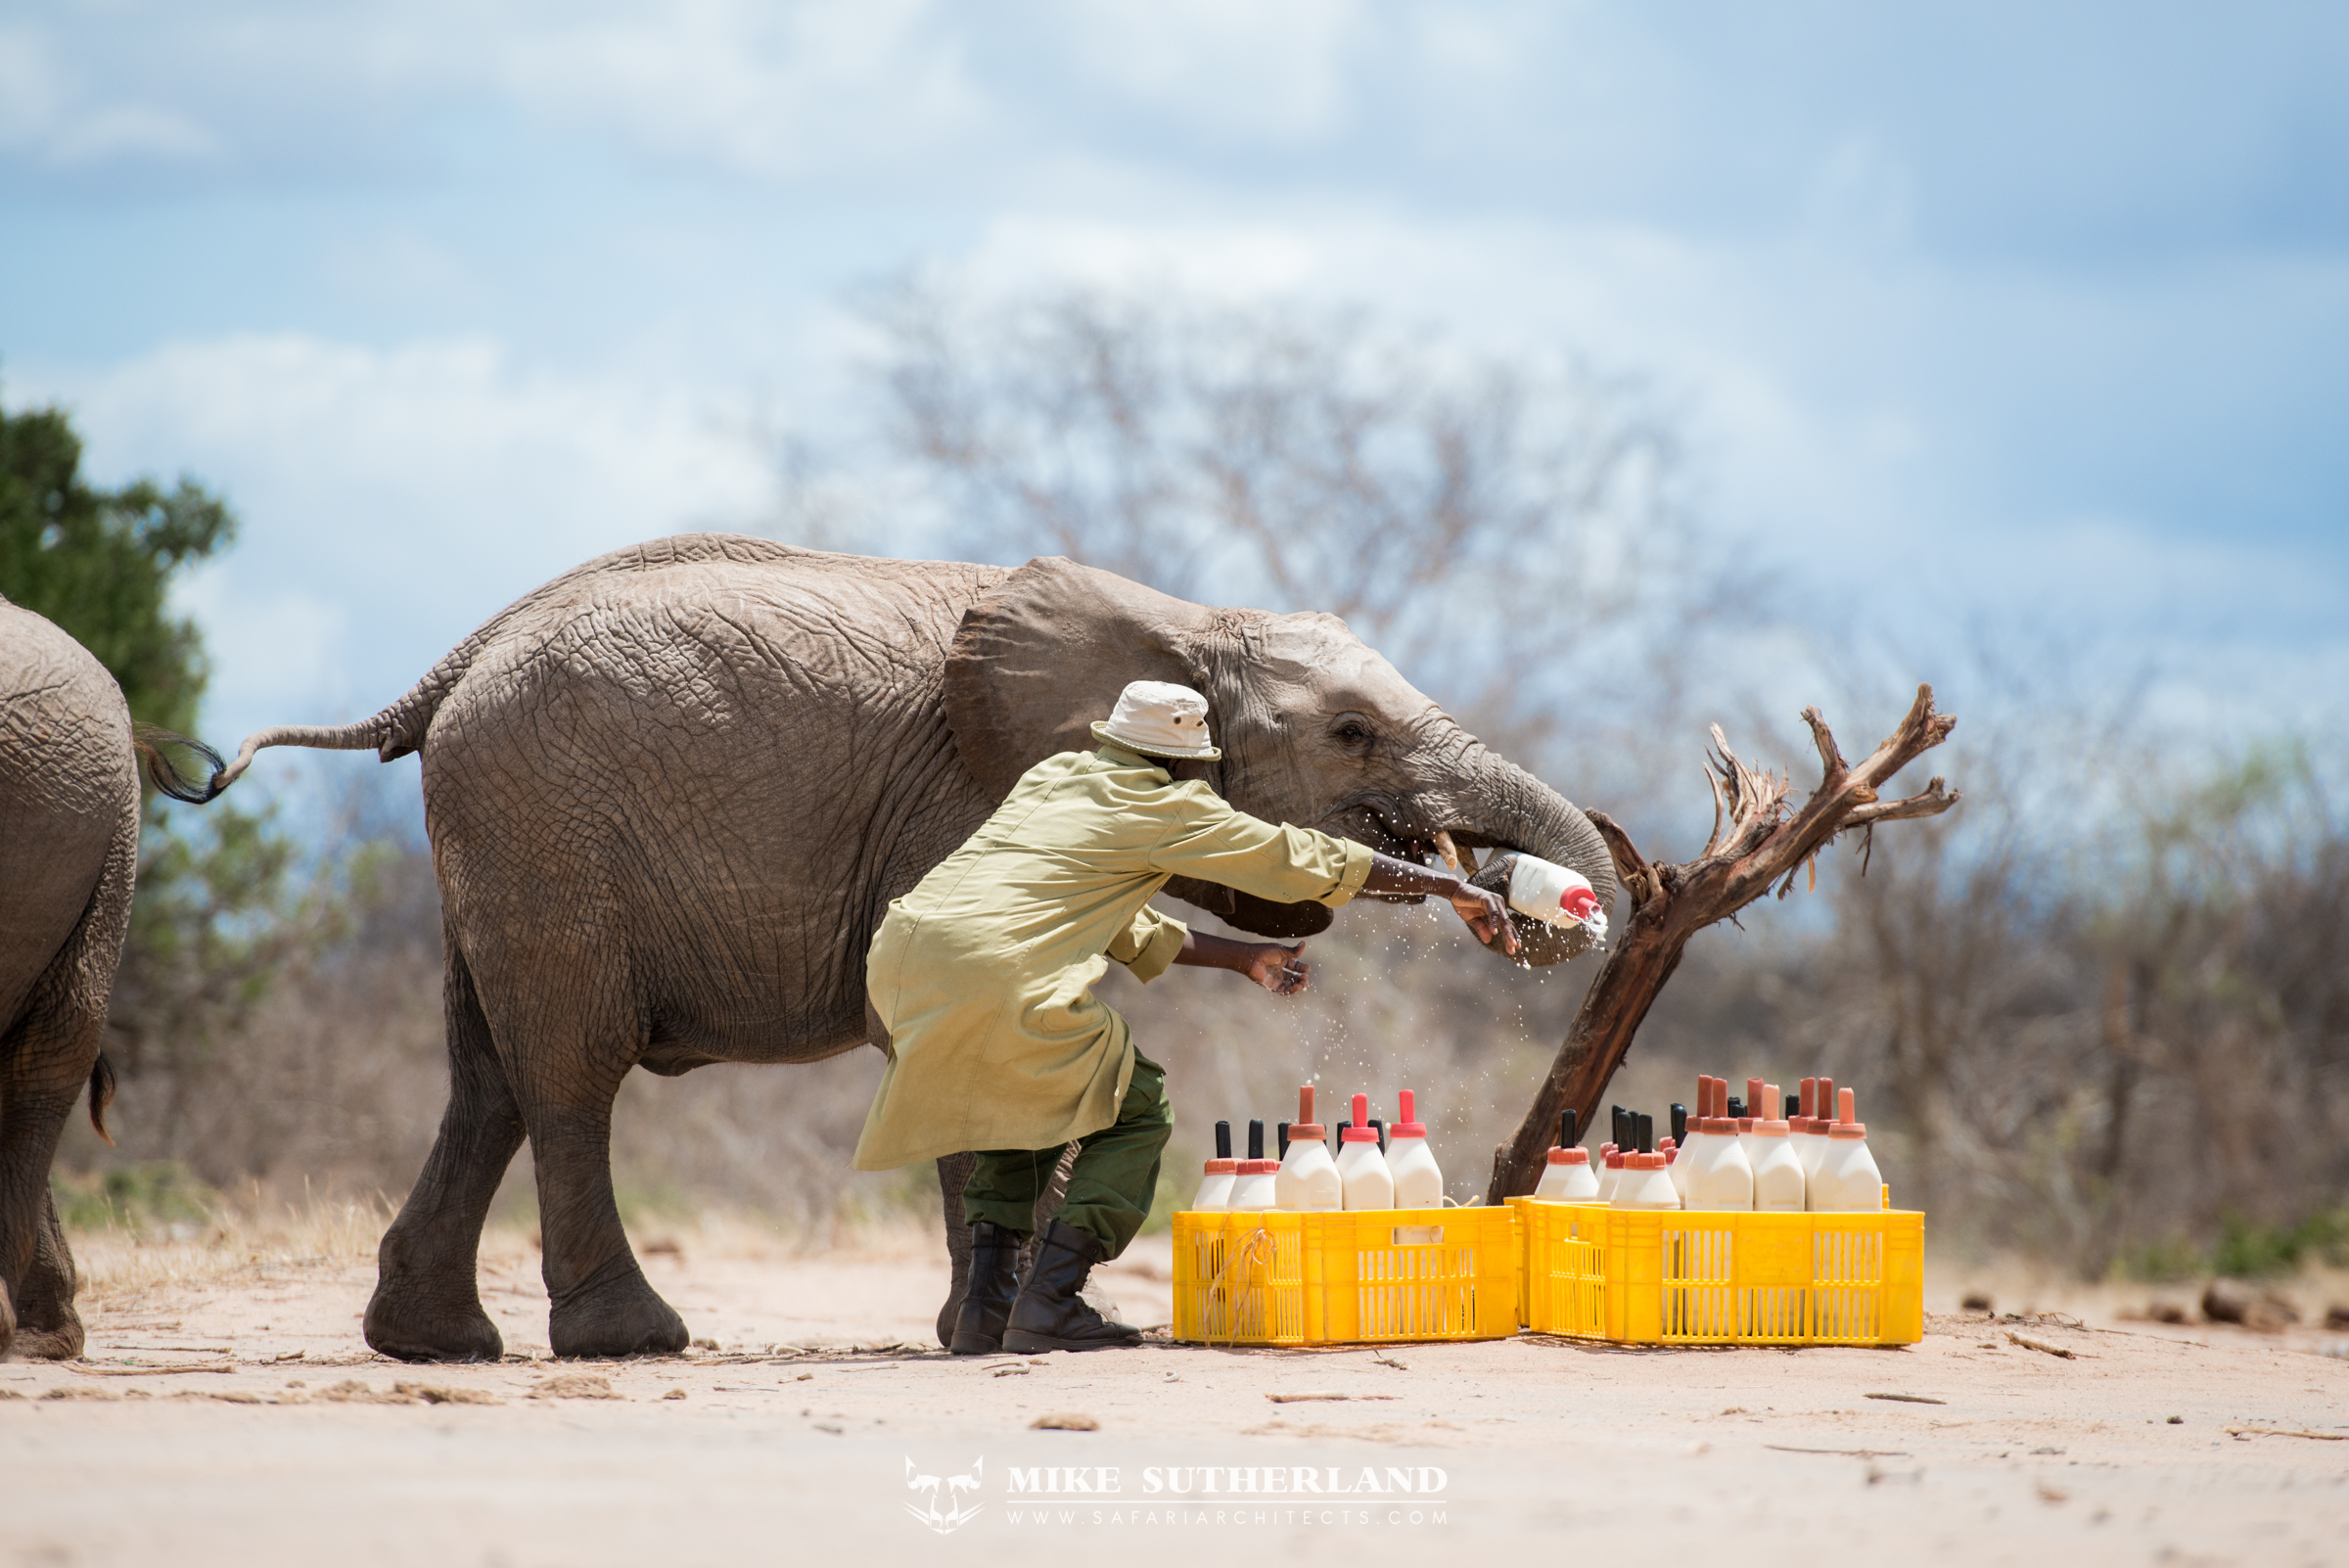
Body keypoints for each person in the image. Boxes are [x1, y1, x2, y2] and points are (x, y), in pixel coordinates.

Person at [852, 679, 1517, 1354]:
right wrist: (1448, 885)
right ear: (1184, 761)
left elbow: (1113, 921)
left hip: (906, 958)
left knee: (1023, 1099)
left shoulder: (1056, 778)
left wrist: (1244, 958)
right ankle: (1050, 1297)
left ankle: (986, 1305)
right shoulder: (1167, 806)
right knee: (1135, 1106)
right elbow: (1294, 858)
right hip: (999, 969)